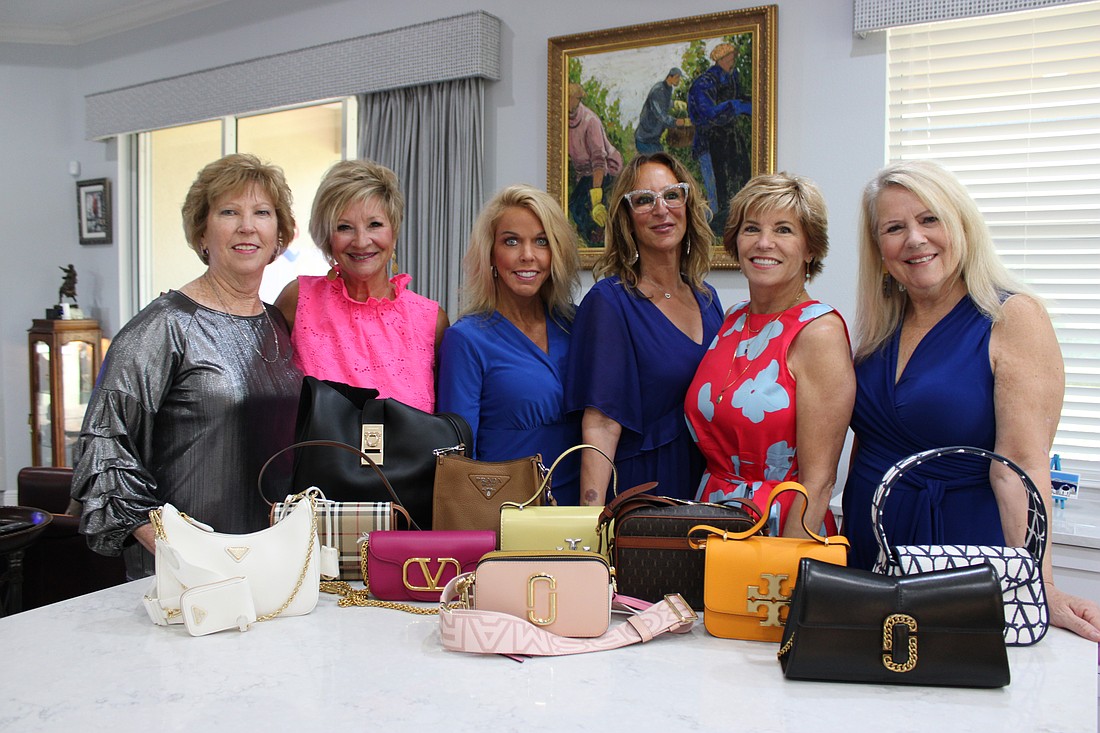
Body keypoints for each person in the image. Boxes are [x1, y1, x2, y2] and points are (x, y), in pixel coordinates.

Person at [843, 159, 1100, 641]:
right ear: (879, 251)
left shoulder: (1012, 317)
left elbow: (1021, 464)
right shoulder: (879, 331)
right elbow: (870, 440)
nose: (915, 239)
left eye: (930, 219)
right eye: (895, 228)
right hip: (867, 546)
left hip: (961, 553)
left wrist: (1039, 589)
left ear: (961, 225)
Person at [71, 153, 303, 580]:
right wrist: (161, 539)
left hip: (269, 559)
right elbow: (102, 441)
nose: (247, 226)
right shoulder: (164, 325)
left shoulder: (278, 324)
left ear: (279, 236)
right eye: (229, 212)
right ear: (202, 233)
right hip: (185, 568)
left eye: (262, 213)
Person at [685, 173, 854, 537]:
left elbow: (819, 481)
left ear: (810, 248)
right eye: (751, 229)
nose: (764, 243)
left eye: (783, 230)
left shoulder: (818, 333)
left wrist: (785, 572)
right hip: (714, 515)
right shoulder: (732, 318)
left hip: (782, 526)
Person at [566, 152, 723, 505]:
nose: (661, 209)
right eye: (643, 200)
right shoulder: (611, 301)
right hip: (644, 491)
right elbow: (601, 425)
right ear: (627, 218)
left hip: (708, 489)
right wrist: (592, 523)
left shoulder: (708, 299)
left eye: (672, 194)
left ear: (687, 204)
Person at [437, 185, 583, 503]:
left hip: (581, 512)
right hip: (504, 514)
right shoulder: (466, 339)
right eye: (511, 241)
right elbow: (457, 459)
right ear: (491, 254)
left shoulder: (579, 326)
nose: (527, 255)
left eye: (541, 241)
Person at [275, 159, 448, 412]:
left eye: (374, 224)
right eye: (345, 227)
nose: (361, 241)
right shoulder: (298, 299)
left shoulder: (431, 320)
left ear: (394, 231)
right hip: (320, 453)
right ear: (328, 237)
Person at [688, 42, 752, 234]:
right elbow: (706, 114)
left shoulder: (733, 77)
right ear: (721, 59)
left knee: (740, 178)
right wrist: (734, 106)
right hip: (710, 142)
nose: (733, 61)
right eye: (730, 58)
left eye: (734, 58)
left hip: (731, 141)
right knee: (716, 190)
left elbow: (743, 98)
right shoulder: (704, 83)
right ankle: (713, 234)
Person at [567, 82, 623, 246]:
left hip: (606, 169)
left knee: (583, 205)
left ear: (576, 99)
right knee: (578, 205)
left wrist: (596, 195)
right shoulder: (564, 121)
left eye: (569, 98)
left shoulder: (590, 121)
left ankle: (597, 239)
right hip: (585, 172)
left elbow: (599, 161)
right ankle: (595, 234)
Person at [635, 68, 688, 154]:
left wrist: (674, 104)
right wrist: (676, 122)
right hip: (645, 139)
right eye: (677, 77)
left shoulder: (668, 88)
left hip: (654, 139)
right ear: (670, 77)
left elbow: (663, 102)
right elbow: (660, 115)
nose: (679, 80)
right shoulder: (658, 90)